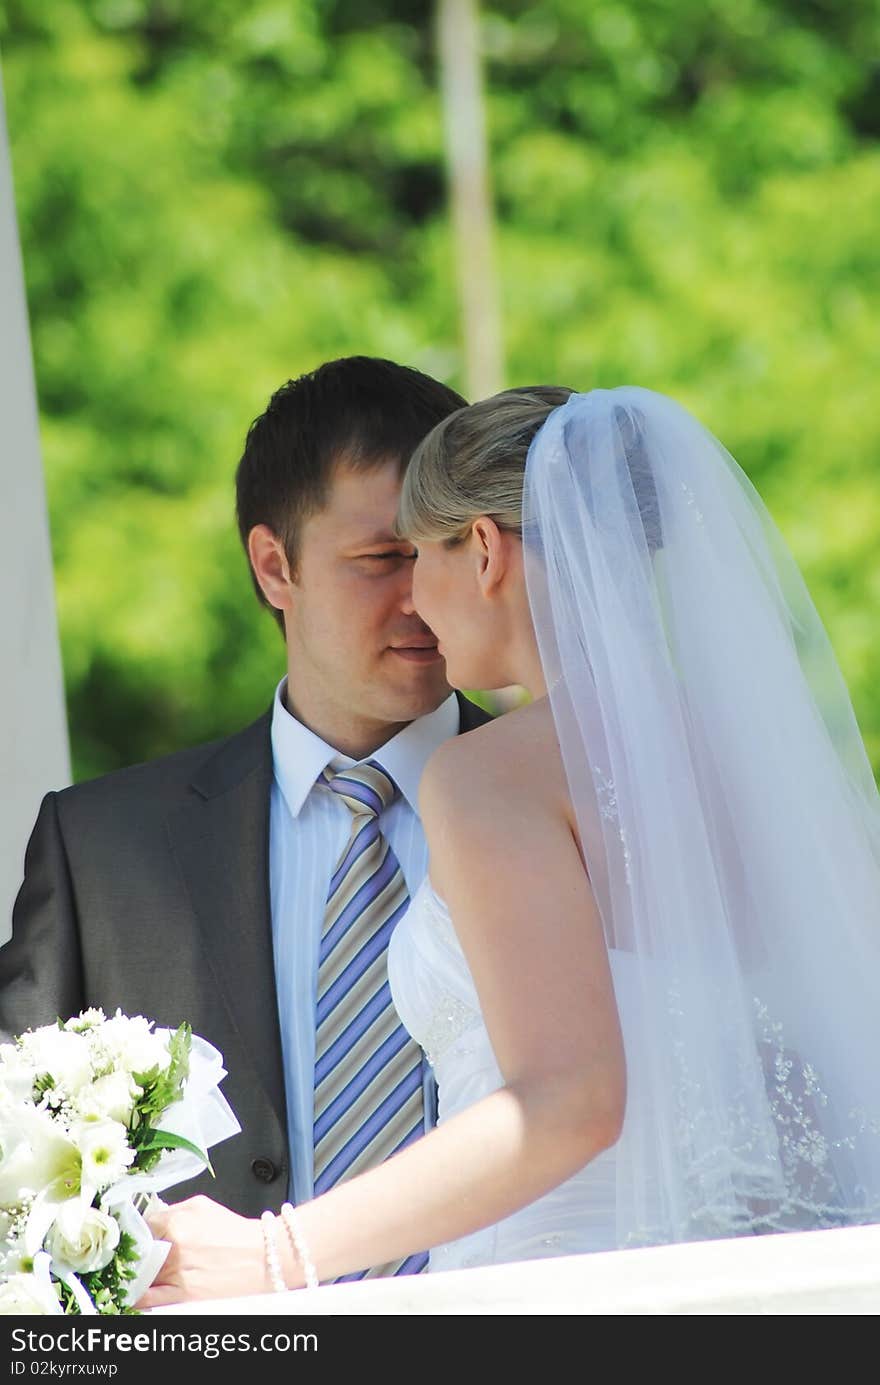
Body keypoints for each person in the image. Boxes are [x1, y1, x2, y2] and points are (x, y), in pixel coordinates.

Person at [140, 383, 880, 1307]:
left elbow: (567, 1101)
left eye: (420, 557)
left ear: (483, 549)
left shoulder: (492, 775)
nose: (415, 600)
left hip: (546, 1294)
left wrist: (277, 1255)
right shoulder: (763, 768)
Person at [0, 357, 492, 1251]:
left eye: (451, 550)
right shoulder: (104, 853)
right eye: (384, 558)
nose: (425, 595)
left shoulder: (582, 807)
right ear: (275, 566)